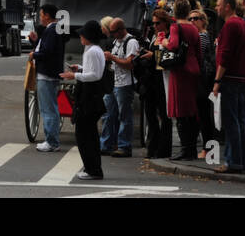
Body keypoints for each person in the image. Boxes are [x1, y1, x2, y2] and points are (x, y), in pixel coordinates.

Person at [62, 19, 109, 180]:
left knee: (85, 135)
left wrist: (74, 75)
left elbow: (95, 75)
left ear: (88, 36)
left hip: (90, 97)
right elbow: (93, 71)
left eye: (83, 34)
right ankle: (92, 168)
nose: (80, 36)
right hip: (90, 96)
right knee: (88, 135)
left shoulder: (92, 51)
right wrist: (80, 68)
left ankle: (93, 169)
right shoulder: (93, 50)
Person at [212, 0, 245, 173]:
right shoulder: (243, 24)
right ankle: (242, 159)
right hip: (242, 78)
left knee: (231, 121)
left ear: (227, 6)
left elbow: (225, 55)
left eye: (219, 4)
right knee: (241, 120)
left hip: (231, 78)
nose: (216, 7)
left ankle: (232, 161)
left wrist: (217, 80)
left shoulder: (230, 25)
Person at [164, 0, 202, 160]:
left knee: (180, 110)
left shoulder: (175, 26)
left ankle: (185, 149)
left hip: (180, 70)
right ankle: (192, 148)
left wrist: (164, 41)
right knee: (192, 110)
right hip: (193, 68)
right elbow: (198, 50)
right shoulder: (193, 28)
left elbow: (173, 45)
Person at [100, 17, 140, 157]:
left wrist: (112, 58)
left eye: (114, 32)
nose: (112, 35)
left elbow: (129, 64)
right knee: (108, 115)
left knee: (124, 116)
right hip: (113, 82)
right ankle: (106, 144)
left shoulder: (131, 42)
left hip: (124, 84)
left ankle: (124, 146)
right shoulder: (116, 41)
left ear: (122, 29)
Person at [31, 3, 65, 153]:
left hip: (47, 74)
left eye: (41, 14)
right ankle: (52, 139)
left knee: (48, 108)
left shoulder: (52, 31)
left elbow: (47, 52)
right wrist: (35, 42)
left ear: (47, 15)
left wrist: (34, 55)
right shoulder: (52, 30)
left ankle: (52, 141)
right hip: (49, 73)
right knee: (50, 108)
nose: (40, 17)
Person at [140, 14, 172, 158]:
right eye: (153, 23)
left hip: (162, 79)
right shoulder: (155, 36)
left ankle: (163, 148)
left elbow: (166, 60)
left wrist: (152, 56)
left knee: (164, 116)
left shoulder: (169, 37)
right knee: (150, 114)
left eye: (157, 23)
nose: (155, 25)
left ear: (165, 23)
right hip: (151, 79)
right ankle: (153, 145)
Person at [190, 6, 217, 156]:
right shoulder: (202, 35)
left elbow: (197, 55)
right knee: (203, 113)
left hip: (202, 79)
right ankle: (207, 147)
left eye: (196, 18)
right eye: (190, 19)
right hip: (203, 78)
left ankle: (208, 148)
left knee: (203, 114)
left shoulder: (202, 36)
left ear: (203, 21)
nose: (193, 21)